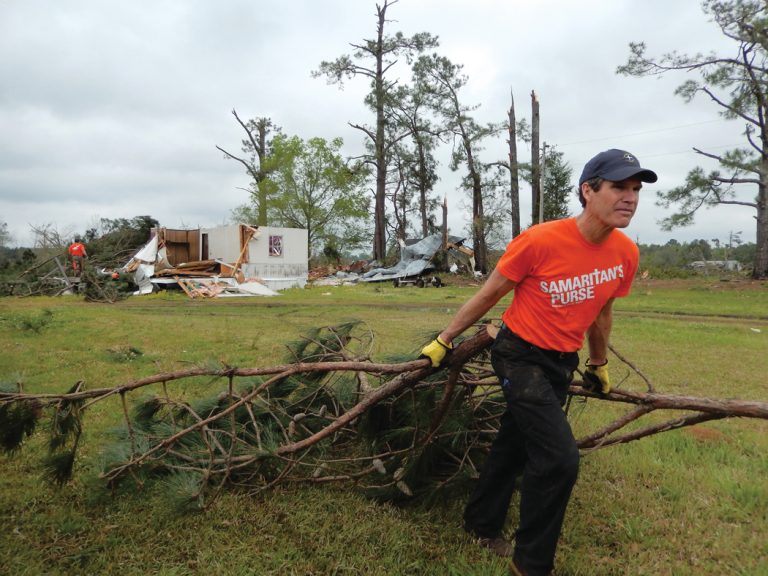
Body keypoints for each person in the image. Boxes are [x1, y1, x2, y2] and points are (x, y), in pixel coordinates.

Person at [421, 149, 657, 576]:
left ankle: (479, 523)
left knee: (514, 444)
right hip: (519, 354)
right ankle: (531, 565)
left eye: (636, 189)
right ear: (588, 190)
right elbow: (490, 293)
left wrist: (598, 363)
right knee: (559, 458)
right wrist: (444, 339)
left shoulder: (625, 253)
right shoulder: (540, 240)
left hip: (561, 362)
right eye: (619, 186)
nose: (631, 197)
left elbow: (603, 311)